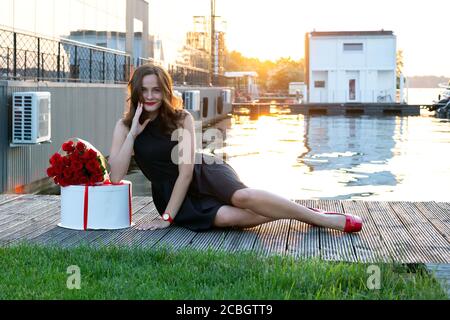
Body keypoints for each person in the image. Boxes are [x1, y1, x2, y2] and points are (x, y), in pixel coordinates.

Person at [108, 64, 362, 233]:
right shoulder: (124, 126)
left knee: (243, 198)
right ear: (136, 93)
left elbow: (185, 174)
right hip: (169, 194)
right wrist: (132, 135)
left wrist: (166, 219)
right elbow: (116, 176)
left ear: (165, 92)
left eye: (156, 90)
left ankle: (325, 220)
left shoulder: (180, 118)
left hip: (203, 172)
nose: (151, 96)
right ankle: (298, 211)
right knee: (229, 219)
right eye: (144, 90)